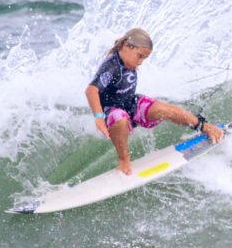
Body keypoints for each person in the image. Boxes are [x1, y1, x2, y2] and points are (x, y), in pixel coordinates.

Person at [85, 28, 224, 175]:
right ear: (127, 46)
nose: (140, 62)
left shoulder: (129, 61)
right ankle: (124, 160)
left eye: (144, 58)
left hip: (130, 104)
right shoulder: (111, 66)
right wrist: (99, 118)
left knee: (165, 109)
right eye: (139, 56)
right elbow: (91, 90)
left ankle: (203, 126)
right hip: (111, 112)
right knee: (119, 118)